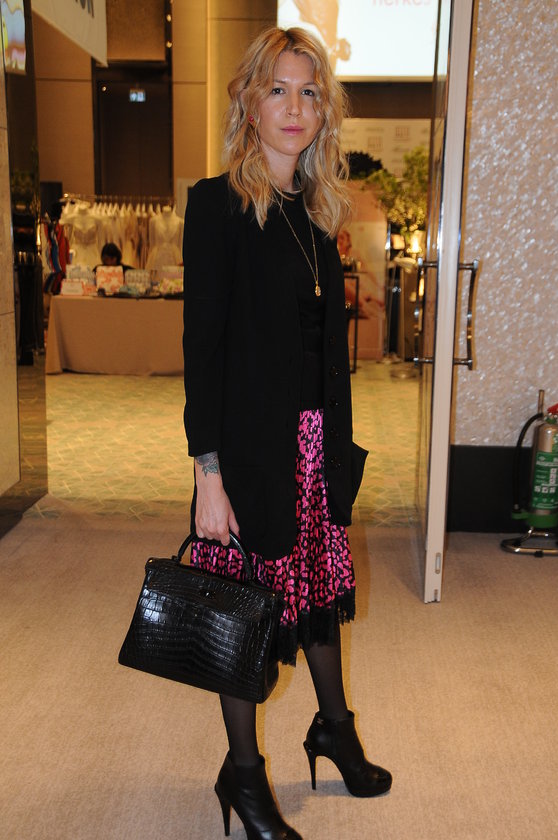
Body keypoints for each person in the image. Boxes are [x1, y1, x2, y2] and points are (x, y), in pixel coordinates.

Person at [182, 26, 392, 840]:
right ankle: (241, 775)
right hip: (246, 451)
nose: (294, 107)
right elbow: (203, 351)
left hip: (313, 447)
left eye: (309, 92)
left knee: (319, 595)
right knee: (245, 611)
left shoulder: (316, 212)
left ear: (324, 111)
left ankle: (334, 730)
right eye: (278, 89)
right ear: (249, 101)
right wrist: (208, 473)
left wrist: (334, 452)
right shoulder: (218, 206)